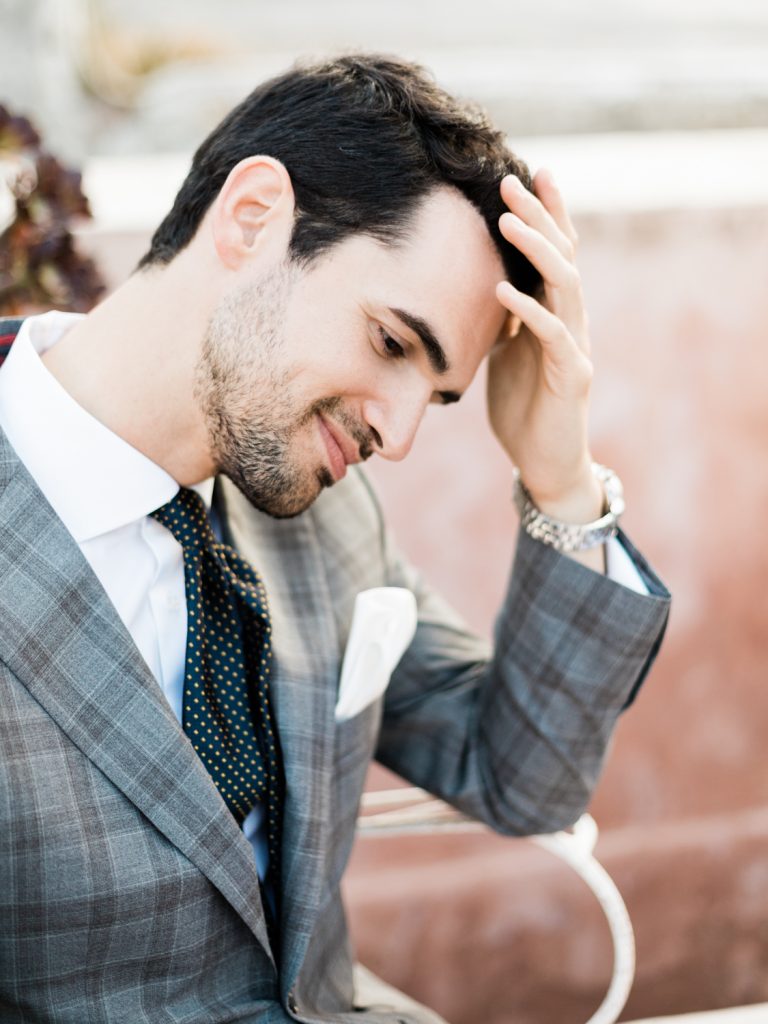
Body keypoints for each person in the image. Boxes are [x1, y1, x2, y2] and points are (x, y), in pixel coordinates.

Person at [0, 54, 669, 1023]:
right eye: (394, 344)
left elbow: (523, 776)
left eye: (437, 399)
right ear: (252, 218)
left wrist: (559, 481)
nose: (398, 438)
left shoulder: (321, 508)